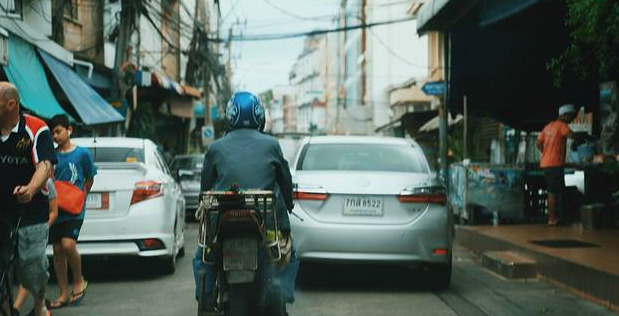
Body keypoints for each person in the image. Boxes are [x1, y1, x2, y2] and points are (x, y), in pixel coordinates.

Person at [193, 91, 298, 311]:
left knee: (204, 254)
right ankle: (282, 295)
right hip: (265, 226)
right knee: (288, 253)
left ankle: (207, 297)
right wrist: (289, 204)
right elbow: (285, 182)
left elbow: (205, 190)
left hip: (221, 225)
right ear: (260, 116)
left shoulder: (215, 148)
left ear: (230, 115)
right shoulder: (271, 145)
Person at [0, 81, 56, 316]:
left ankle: (39, 303)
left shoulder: (36, 128)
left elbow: (44, 166)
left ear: (11, 105)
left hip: (31, 210)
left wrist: (30, 189)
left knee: (32, 265)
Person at [47, 114, 96, 309]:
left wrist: (82, 197)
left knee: (68, 245)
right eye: (53, 134)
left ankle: (78, 280)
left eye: (58, 132)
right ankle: (63, 293)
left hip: (75, 209)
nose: (56, 136)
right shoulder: (52, 155)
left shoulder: (82, 154)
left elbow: (90, 177)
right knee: (57, 250)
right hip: (56, 209)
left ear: (69, 130)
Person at [13, 177, 58, 312]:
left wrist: (43, 230)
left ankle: (18, 307)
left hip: (36, 233)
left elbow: (54, 211)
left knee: (31, 270)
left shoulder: (47, 183)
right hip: (15, 231)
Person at [537, 104, 578, 226]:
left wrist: (546, 152)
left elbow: (538, 143)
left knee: (557, 190)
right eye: (571, 116)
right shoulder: (562, 126)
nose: (573, 119)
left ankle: (558, 217)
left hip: (546, 164)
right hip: (554, 164)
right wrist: (584, 136)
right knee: (553, 191)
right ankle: (552, 219)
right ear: (564, 115)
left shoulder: (548, 126)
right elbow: (572, 135)